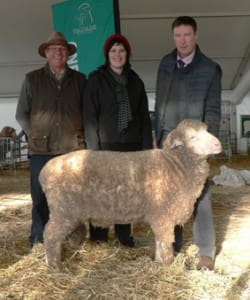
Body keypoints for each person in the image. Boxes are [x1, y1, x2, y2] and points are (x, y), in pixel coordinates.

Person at [155, 16, 222, 270]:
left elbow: (213, 109)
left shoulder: (210, 68)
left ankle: (206, 250)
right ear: (173, 37)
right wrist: (157, 133)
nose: (182, 41)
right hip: (169, 140)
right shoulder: (165, 63)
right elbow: (160, 102)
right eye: (177, 36)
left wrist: (206, 142)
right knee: (168, 194)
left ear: (196, 36)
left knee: (200, 194)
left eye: (186, 35)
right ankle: (172, 244)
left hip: (194, 143)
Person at [16, 32, 87, 248]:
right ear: (46, 53)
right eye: (53, 49)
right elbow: (21, 114)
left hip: (71, 150)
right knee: (40, 198)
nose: (58, 52)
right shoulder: (32, 79)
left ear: (68, 53)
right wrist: (35, 134)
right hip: (41, 151)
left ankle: (74, 240)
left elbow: (88, 112)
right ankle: (38, 239)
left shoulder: (80, 80)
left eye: (62, 49)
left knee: (73, 197)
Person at [83, 33, 153, 247]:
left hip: (131, 148)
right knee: (102, 193)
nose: (117, 54)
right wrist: (93, 152)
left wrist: (146, 150)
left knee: (126, 194)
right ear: (107, 54)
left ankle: (124, 236)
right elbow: (89, 117)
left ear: (127, 54)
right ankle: (100, 237)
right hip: (105, 148)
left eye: (121, 50)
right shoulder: (96, 80)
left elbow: (143, 117)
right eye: (113, 50)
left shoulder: (136, 81)